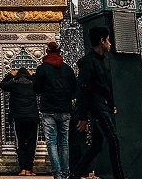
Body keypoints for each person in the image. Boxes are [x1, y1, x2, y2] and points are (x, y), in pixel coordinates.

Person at [73, 27, 125, 179]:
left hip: (102, 106)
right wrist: (82, 117)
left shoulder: (98, 62)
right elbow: (83, 89)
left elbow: (103, 87)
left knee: (96, 146)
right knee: (114, 140)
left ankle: (74, 174)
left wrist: (110, 104)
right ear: (102, 41)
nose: (110, 43)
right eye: (108, 40)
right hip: (97, 108)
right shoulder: (89, 62)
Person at [32, 41, 76, 179]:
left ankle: (57, 172)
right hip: (65, 109)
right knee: (64, 142)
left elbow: (36, 88)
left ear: (47, 52)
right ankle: (65, 172)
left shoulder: (43, 68)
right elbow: (74, 89)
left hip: (48, 109)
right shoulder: (68, 69)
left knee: (51, 142)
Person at [0, 67, 39, 176]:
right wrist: (32, 76)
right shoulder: (33, 84)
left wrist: (11, 75)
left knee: (20, 143)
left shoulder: (14, 84)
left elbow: (2, 84)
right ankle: (29, 169)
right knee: (31, 143)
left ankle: (23, 168)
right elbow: (41, 85)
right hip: (32, 117)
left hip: (18, 118)